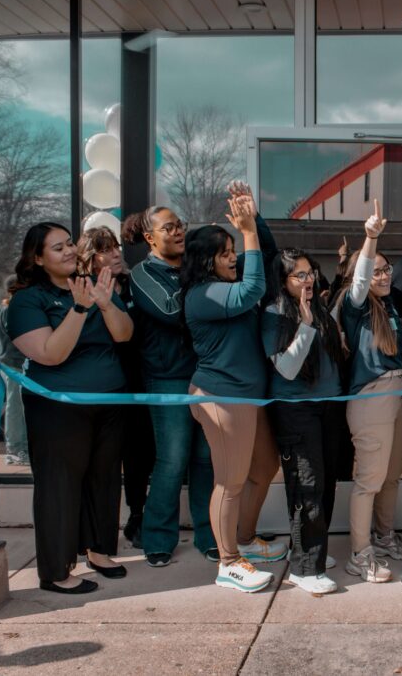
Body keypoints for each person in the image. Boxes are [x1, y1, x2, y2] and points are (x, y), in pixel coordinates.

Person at [125, 195, 286, 569]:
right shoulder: (148, 275)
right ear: (149, 237)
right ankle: (159, 539)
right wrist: (203, 279)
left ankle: (211, 537)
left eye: (180, 225)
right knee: (173, 460)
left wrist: (254, 221)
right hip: (171, 377)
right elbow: (173, 310)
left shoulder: (206, 271)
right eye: (168, 227)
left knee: (206, 463)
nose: (177, 231)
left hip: (212, 376)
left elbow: (264, 260)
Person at [7, 222, 133, 594]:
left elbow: (124, 334)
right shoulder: (28, 300)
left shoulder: (93, 284)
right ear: (37, 258)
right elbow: (51, 353)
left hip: (108, 401)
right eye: (57, 247)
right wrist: (79, 309)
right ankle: (56, 571)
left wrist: (105, 304)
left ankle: (99, 551)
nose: (68, 251)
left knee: (104, 479)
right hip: (58, 409)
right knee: (59, 486)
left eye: (69, 244)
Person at [181, 195, 276, 594]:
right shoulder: (203, 295)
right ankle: (229, 563)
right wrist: (248, 232)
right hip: (222, 397)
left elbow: (265, 261)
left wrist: (255, 221)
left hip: (249, 397)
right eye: (225, 253)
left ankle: (246, 540)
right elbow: (253, 288)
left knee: (265, 467)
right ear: (206, 261)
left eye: (234, 250)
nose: (233, 258)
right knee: (230, 482)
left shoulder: (225, 287)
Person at [261, 247, 346, 596]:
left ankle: (313, 550)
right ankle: (305, 568)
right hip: (296, 409)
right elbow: (286, 368)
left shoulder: (320, 308)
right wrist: (306, 327)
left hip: (329, 406)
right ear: (283, 281)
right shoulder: (274, 315)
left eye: (311, 272)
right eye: (300, 275)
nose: (308, 280)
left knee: (325, 483)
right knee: (306, 485)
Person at [334, 200, 402, 583]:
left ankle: (383, 536)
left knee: (392, 475)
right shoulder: (355, 305)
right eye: (376, 270)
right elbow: (361, 281)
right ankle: (359, 555)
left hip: (399, 395)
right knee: (369, 480)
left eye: (387, 269)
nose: (383, 275)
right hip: (372, 398)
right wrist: (371, 238)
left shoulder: (389, 307)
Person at [76, 227, 156, 551]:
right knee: (103, 460)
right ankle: (92, 530)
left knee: (140, 454)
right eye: (106, 250)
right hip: (102, 385)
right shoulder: (83, 290)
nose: (116, 254)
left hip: (139, 381)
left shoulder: (135, 284)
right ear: (90, 258)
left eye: (116, 247)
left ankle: (138, 516)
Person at [0, 275, 29, 466]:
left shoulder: (6, 308)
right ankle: (15, 451)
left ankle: (19, 449)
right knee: (15, 408)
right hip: (14, 364)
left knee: (17, 407)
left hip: (11, 362)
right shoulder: (11, 309)